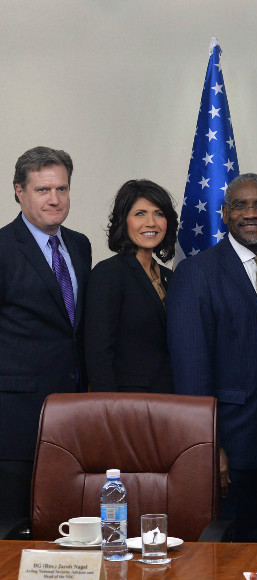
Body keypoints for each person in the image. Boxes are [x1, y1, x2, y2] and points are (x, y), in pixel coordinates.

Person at [167, 172, 257, 541]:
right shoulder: (196, 272)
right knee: (231, 552)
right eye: (240, 205)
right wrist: (209, 446)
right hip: (232, 445)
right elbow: (191, 371)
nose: (251, 213)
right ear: (224, 213)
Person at [0, 146, 91, 519]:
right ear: (19, 192)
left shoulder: (81, 245)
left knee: (64, 529)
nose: (54, 199)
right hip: (14, 420)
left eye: (62, 189)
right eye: (42, 190)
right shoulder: (3, 248)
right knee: (11, 531)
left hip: (71, 417)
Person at [85, 180, 178, 393]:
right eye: (140, 214)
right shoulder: (108, 274)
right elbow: (99, 353)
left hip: (170, 399)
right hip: (127, 403)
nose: (151, 222)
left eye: (159, 213)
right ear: (123, 221)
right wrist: (109, 409)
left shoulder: (169, 278)